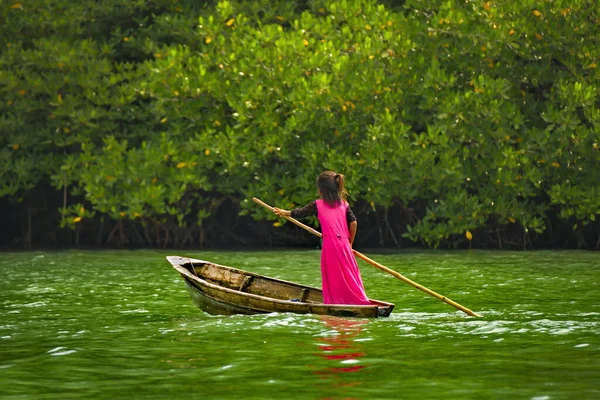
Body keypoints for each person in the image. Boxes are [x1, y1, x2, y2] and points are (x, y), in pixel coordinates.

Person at [273, 171, 372, 306]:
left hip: (330, 245)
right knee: (349, 274)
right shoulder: (344, 204)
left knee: (333, 275)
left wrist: (285, 213)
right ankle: (358, 299)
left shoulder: (317, 204)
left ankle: (336, 302)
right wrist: (350, 243)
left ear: (321, 190)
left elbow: (301, 212)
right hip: (344, 245)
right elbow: (353, 223)